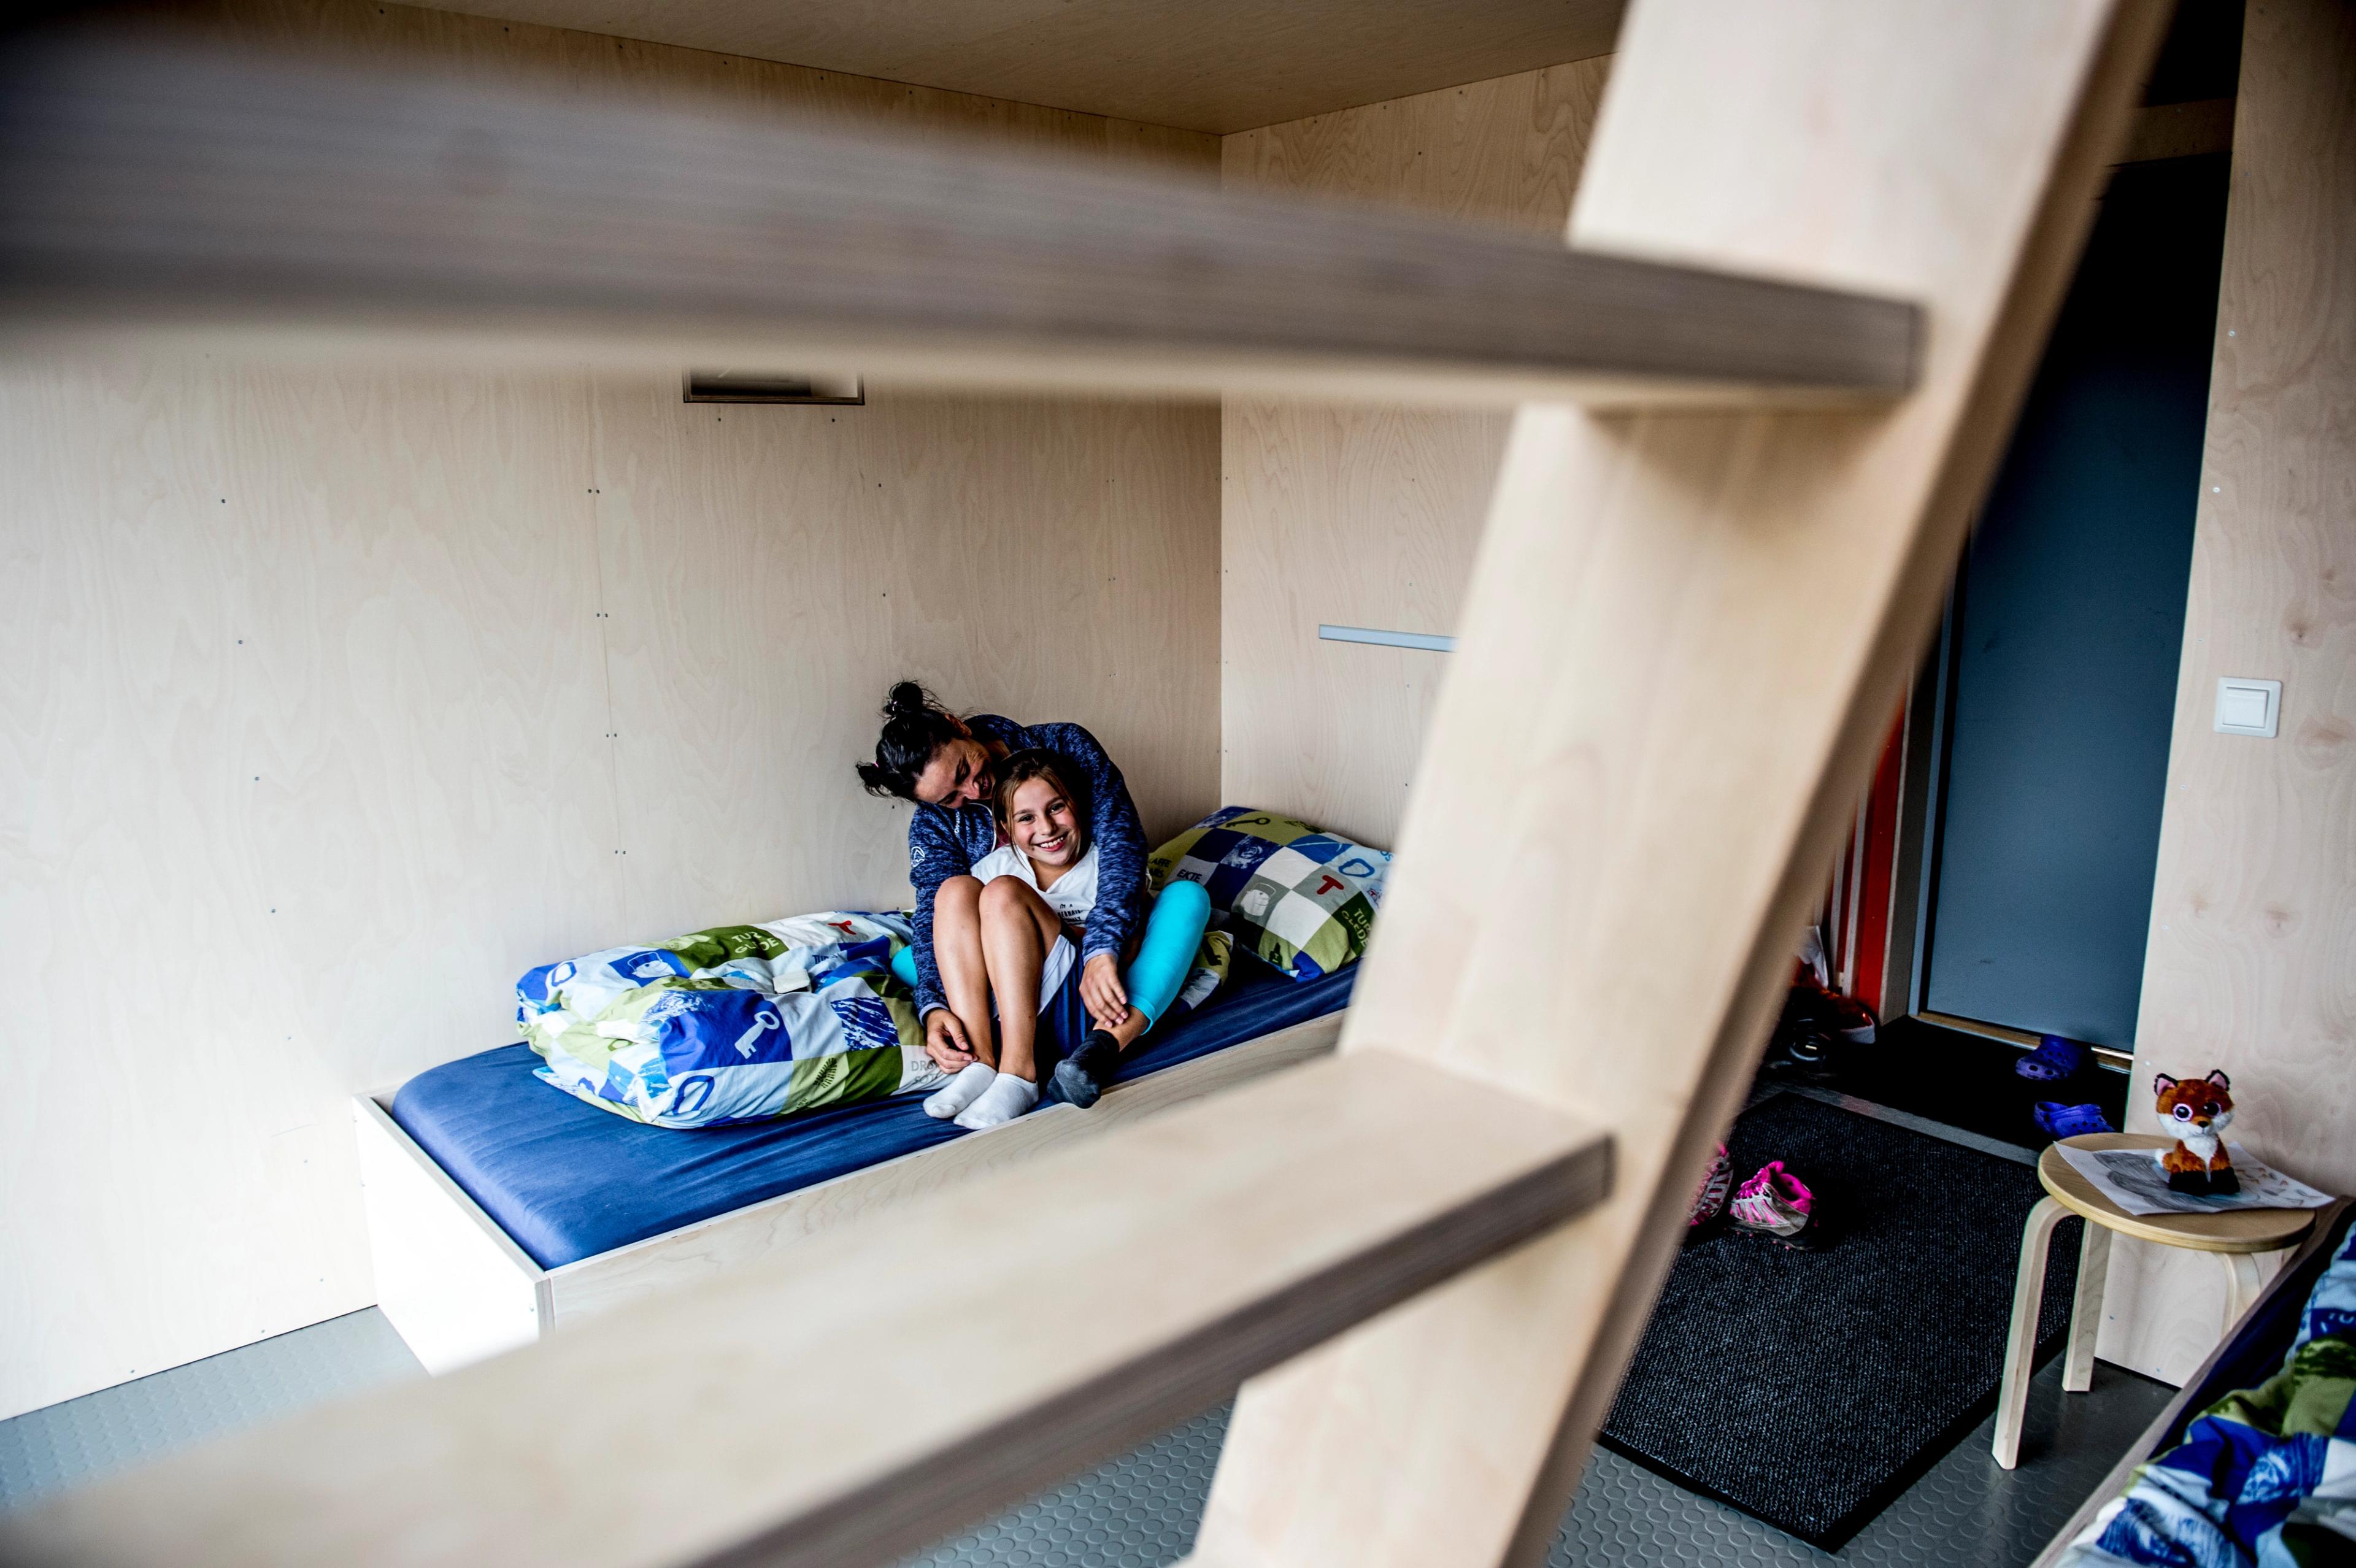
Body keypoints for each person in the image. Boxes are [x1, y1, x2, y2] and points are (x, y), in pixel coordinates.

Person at [855, 683, 1150, 1121]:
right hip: (996, 975)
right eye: (951, 799)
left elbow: (1122, 849)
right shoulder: (938, 825)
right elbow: (933, 916)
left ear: (959, 727)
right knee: (952, 893)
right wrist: (933, 1006)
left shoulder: (1064, 747)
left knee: (1003, 893)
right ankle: (980, 1063)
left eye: (962, 772)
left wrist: (1102, 949)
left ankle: (1021, 1072)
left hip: (1063, 951)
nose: (972, 795)